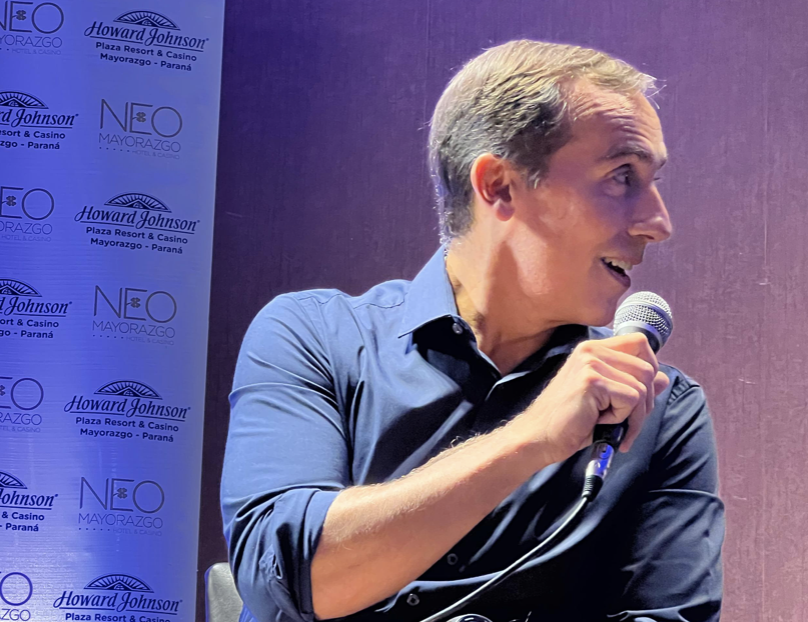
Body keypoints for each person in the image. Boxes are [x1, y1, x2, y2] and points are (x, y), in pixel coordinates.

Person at [221, 40, 724, 622]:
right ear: (499, 186)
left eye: (654, 181)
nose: (658, 222)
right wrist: (530, 437)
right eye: (621, 176)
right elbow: (283, 580)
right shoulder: (314, 337)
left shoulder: (660, 409)